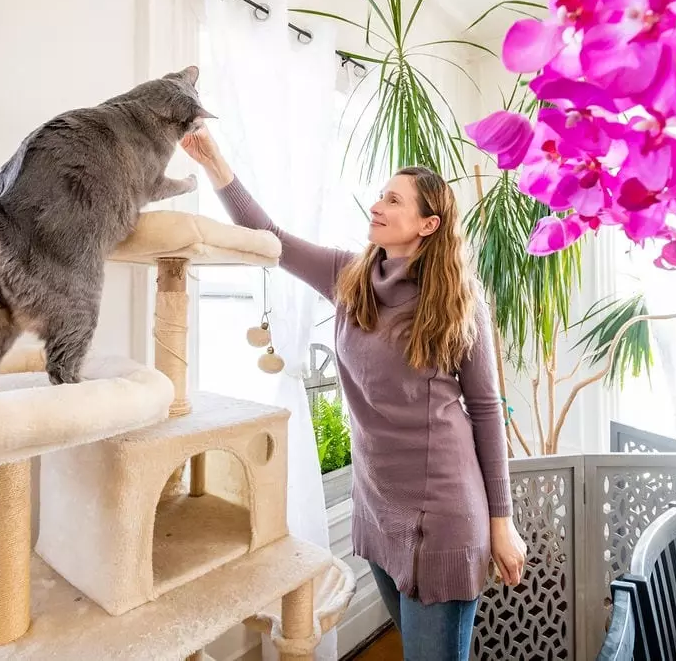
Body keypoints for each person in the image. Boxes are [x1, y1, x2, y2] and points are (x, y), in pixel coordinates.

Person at [181, 126, 527, 660]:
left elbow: (485, 410)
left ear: (428, 225)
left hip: (441, 519)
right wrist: (213, 162)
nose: (378, 204)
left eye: (394, 199)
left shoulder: (461, 303)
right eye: (380, 194)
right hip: (378, 504)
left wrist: (501, 526)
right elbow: (268, 235)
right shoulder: (350, 276)